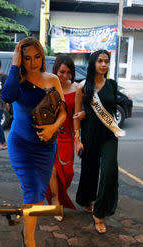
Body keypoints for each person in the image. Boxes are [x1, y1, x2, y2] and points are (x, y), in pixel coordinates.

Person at [2, 37, 67, 247]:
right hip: (21, 145)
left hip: (46, 146)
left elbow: (63, 111)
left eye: (36, 57)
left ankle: (26, 232)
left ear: (42, 56)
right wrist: (14, 65)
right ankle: (30, 243)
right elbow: (6, 97)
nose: (32, 62)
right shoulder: (16, 81)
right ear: (20, 58)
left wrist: (53, 127)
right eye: (26, 58)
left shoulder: (52, 79)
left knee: (39, 194)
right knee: (32, 191)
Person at [74, 49, 122, 234]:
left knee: (109, 170)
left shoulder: (112, 84)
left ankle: (99, 214)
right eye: (100, 61)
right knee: (90, 170)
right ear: (93, 63)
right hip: (90, 133)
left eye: (107, 61)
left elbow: (111, 108)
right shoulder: (83, 87)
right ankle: (87, 199)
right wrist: (77, 140)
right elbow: (76, 116)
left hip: (109, 134)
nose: (104, 64)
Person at [46, 55, 84, 221]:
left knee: (67, 172)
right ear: (56, 70)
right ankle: (56, 201)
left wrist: (77, 139)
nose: (64, 76)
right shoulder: (47, 86)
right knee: (52, 171)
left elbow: (76, 116)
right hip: (50, 136)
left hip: (67, 136)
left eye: (68, 72)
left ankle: (59, 195)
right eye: (62, 72)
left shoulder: (76, 89)